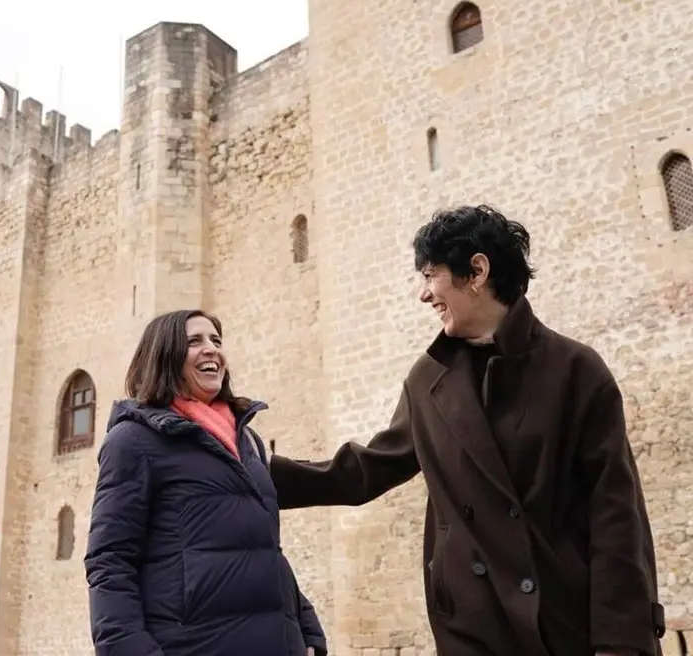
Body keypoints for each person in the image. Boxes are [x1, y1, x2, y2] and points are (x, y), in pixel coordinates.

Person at [269, 205, 666, 656]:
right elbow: (369, 469)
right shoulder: (427, 380)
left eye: (430, 275)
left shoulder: (576, 370)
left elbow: (616, 514)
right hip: (473, 627)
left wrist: (621, 642)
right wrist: (252, 471)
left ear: (476, 271)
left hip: (565, 621)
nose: (423, 294)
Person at [84, 309, 326, 656]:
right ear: (164, 355)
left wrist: (306, 628)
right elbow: (110, 561)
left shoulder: (248, 442)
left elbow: (264, 550)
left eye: (216, 340)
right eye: (194, 341)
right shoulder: (133, 441)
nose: (211, 348)